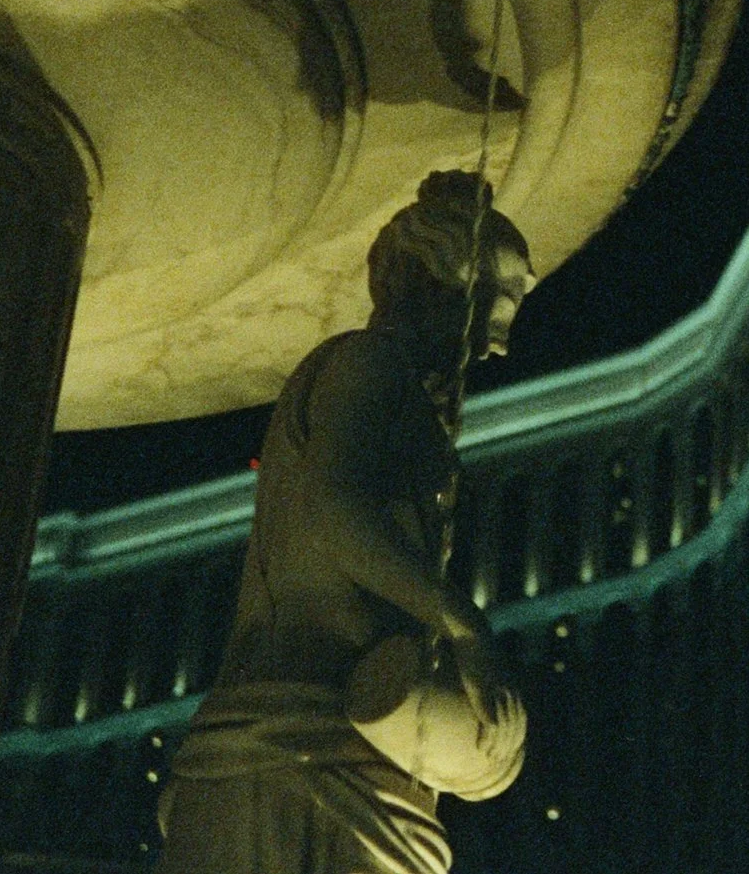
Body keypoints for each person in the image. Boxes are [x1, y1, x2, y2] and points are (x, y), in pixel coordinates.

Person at [158, 170, 531, 874]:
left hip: (328, 740)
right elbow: (337, 509)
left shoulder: (388, 386)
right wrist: (466, 629)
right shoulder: (368, 362)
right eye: (503, 300)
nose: (500, 341)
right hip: (300, 737)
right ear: (448, 280)